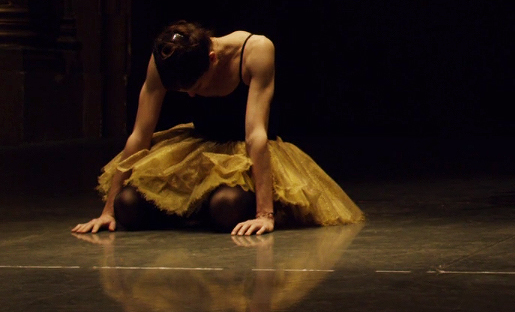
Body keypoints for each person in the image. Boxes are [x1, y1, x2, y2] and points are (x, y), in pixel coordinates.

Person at [72, 21, 363, 236]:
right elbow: (140, 135)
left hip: (245, 155)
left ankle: (204, 211)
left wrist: (265, 213)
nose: (191, 96)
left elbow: (255, 135)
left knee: (226, 206)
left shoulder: (255, 51)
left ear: (212, 59)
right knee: (127, 205)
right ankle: (191, 211)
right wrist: (108, 211)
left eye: (197, 87)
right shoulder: (165, 60)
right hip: (197, 152)